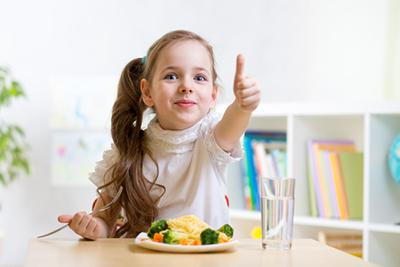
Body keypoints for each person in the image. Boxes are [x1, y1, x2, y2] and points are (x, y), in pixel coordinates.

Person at [57, 30, 260, 240]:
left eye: (199, 77)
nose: (186, 86)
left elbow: (232, 125)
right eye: (171, 76)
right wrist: (92, 227)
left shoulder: (211, 139)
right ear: (147, 92)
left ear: (213, 95)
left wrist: (243, 106)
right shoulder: (128, 149)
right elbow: (104, 224)